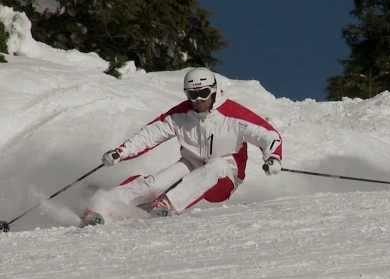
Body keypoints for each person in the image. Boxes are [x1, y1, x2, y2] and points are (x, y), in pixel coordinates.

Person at [81, 67, 282, 226]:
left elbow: (268, 135)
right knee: (154, 183)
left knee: (217, 165)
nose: (199, 100)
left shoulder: (232, 114)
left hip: (225, 176)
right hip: (191, 164)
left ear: (213, 91)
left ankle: (168, 204)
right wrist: (120, 152)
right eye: (192, 95)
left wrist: (273, 157)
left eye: (203, 93)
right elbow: (150, 134)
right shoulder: (181, 114)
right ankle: (102, 206)